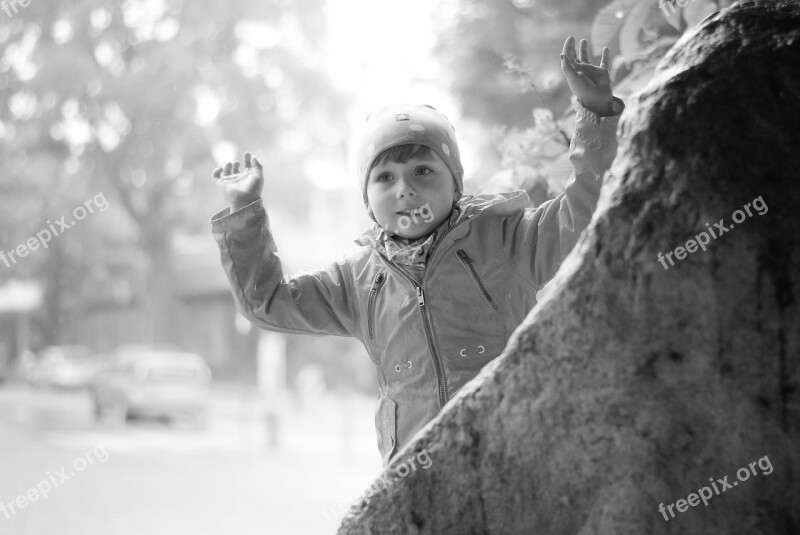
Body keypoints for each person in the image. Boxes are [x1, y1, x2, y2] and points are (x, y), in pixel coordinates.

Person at [210, 36, 625, 465]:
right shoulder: (356, 282)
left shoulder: (508, 241)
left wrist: (594, 116)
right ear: (367, 200)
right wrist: (244, 213)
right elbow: (268, 302)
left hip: (512, 463)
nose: (405, 189)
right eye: (385, 178)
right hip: (415, 484)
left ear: (455, 184)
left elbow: (585, 208)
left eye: (423, 171)